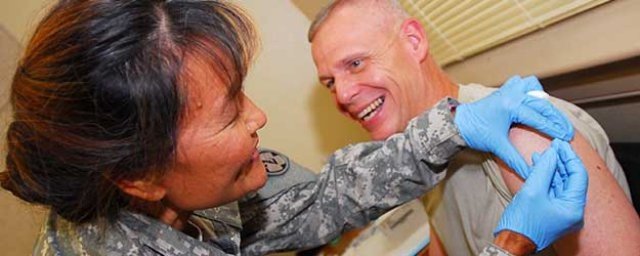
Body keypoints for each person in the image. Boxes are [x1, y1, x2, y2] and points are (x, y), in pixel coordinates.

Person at [1, 0, 582, 255]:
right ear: (141, 177)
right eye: (229, 114)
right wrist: (508, 247)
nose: (259, 117)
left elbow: (322, 199)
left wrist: (453, 125)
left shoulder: (193, 196)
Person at [308, 0, 640, 255]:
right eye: (329, 83)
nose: (342, 95)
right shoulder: (415, 153)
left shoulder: (522, 135)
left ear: (413, 41)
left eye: (355, 63)